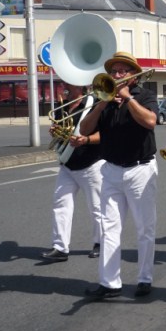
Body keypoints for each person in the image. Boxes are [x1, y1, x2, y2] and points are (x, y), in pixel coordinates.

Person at [80, 51, 159, 300]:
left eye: (122, 71)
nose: (116, 75)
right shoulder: (103, 97)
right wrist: (101, 103)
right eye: (113, 71)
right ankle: (110, 282)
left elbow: (150, 121)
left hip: (140, 169)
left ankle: (144, 278)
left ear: (133, 76)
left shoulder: (144, 95)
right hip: (111, 169)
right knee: (109, 228)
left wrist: (128, 100)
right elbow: (85, 129)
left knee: (144, 227)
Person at [41, 83, 104, 262]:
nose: (64, 85)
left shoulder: (95, 104)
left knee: (97, 207)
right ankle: (60, 247)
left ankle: (100, 243)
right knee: (60, 205)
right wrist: (56, 132)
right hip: (67, 164)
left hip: (91, 164)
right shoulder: (61, 107)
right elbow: (62, 135)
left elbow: (106, 133)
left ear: (80, 85)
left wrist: (86, 139)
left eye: (68, 82)